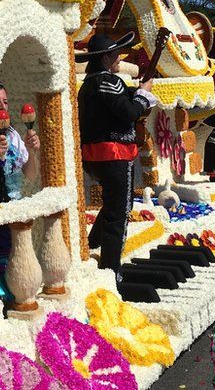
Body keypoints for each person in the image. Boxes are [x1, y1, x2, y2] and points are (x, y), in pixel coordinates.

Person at [78, 31, 155, 276]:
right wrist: (143, 96)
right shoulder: (110, 82)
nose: (119, 59)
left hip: (95, 154)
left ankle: (94, 242)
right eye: (115, 55)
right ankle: (111, 267)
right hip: (115, 153)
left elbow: (119, 100)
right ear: (105, 59)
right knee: (119, 211)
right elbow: (130, 112)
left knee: (114, 203)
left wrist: (138, 90)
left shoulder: (90, 84)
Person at [0, 78, 40, 304]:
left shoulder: (14, 135)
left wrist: (33, 152)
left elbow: (31, 175)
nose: (2, 106)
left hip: (13, 210)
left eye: (5, 101)